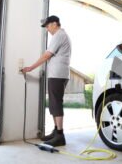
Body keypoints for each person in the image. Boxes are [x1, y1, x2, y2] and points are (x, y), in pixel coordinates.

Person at [22, 15, 71, 147]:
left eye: (48, 26)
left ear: (55, 24)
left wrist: (31, 67)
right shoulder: (61, 35)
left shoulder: (59, 35)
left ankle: (60, 135)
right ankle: (56, 132)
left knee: (56, 103)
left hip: (58, 75)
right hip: (58, 74)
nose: (47, 29)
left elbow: (47, 55)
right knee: (54, 103)